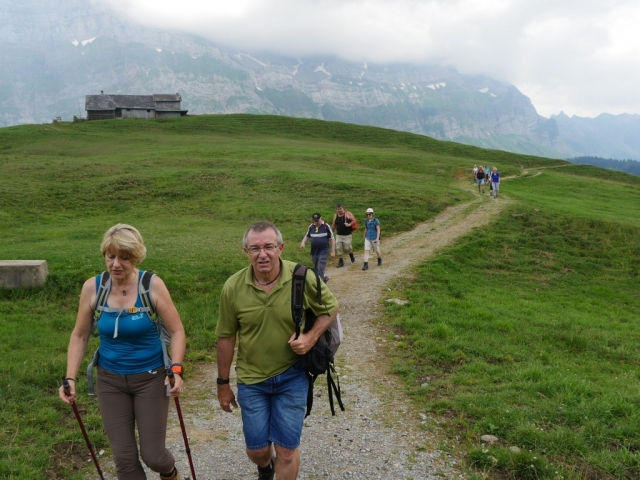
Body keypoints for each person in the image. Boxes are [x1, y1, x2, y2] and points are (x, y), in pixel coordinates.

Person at [58, 224, 187, 480]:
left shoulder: (152, 285)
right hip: (110, 380)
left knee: (153, 456)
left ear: (136, 257)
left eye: (124, 257)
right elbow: (80, 335)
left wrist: (176, 368)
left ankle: (170, 472)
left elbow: (177, 331)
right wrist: (70, 377)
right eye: (110, 256)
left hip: (151, 378)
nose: (116, 264)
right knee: (124, 460)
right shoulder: (93, 288)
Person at [216, 221, 339, 480]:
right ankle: (264, 467)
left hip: (293, 374)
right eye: (255, 248)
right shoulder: (233, 287)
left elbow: (330, 308)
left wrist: (310, 337)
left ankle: (277, 464)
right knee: (257, 450)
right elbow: (226, 337)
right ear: (245, 252)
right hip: (252, 379)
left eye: (269, 247)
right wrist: (223, 384)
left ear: (280, 248)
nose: (262, 254)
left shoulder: (302, 277)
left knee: (286, 451)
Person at [300, 212, 335, 283]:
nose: (316, 222)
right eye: (314, 221)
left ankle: (321, 284)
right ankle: (324, 278)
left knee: (320, 267)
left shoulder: (326, 226)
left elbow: (332, 239)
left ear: (321, 218)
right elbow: (307, 236)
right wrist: (303, 243)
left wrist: (333, 251)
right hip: (314, 251)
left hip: (324, 250)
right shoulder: (311, 226)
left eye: (317, 220)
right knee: (316, 267)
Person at [331, 204, 357, 268]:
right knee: (338, 247)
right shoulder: (335, 216)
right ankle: (341, 261)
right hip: (338, 235)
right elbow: (334, 225)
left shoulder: (347, 214)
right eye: (338, 209)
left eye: (340, 209)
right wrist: (331, 232)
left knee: (347, 247)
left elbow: (354, 220)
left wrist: (349, 224)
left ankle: (351, 254)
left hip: (347, 235)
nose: (339, 210)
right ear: (336, 209)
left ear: (343, 209)